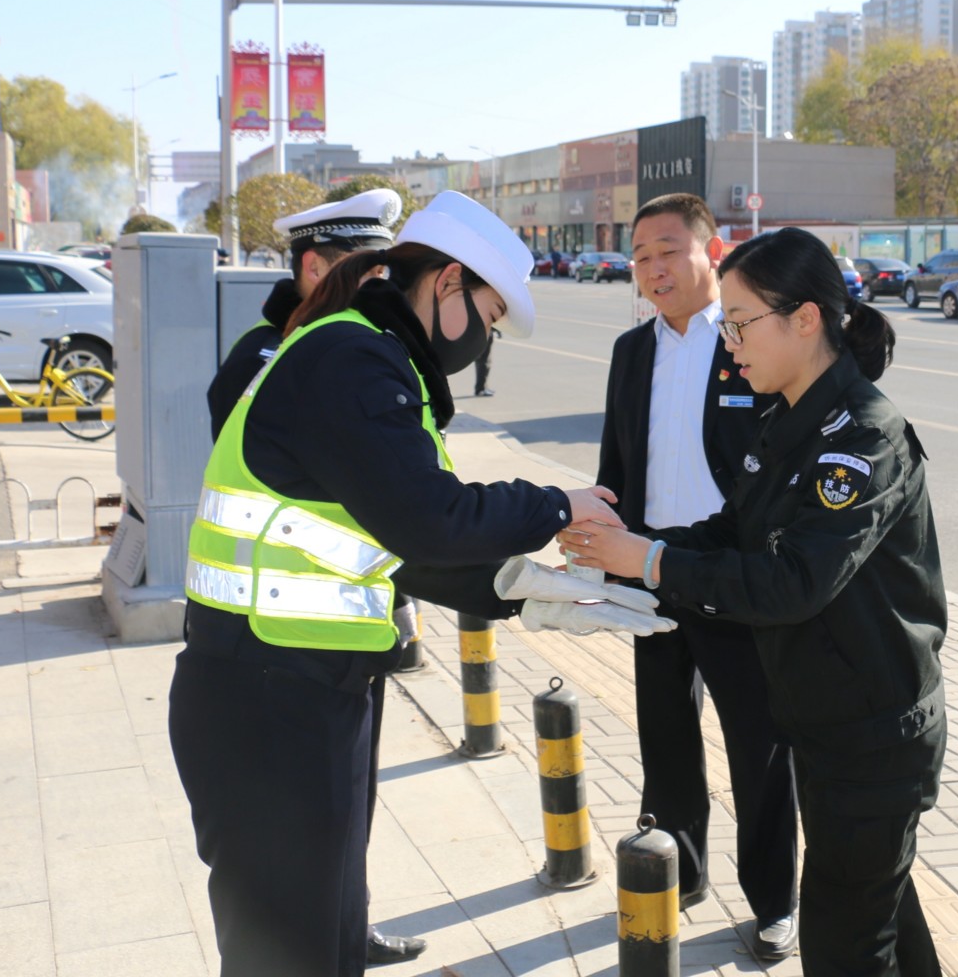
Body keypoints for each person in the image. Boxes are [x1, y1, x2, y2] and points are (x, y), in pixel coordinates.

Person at [170, 190, 625, 977]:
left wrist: (522, 591)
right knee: (286, 952)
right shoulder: (352, 359)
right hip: (267, 699)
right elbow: (428, 519)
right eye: (488, 316)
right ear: (447, 283)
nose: (484, 338)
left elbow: (397, 545)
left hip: (304, 686)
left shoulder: (369, 357)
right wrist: (556, 505)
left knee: (325, 933)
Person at [565, 227, 947, 977]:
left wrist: (649, 560)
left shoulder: (860, 439)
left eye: (740, 324)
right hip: (828, 719)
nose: (729, 343)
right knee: (881, 911)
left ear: (804, 319)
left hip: (872, 734)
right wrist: (627, 547)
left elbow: (790, 583)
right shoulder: (789, 422)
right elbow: (733, 529)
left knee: (844, 938)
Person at [201, 188, 421, 965]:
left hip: (348, 624)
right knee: (292, 837)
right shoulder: (270, 357)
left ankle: (348, 931)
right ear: (315, 269)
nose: (382, 290)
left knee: (350, 799)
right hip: (276, 645)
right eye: (366, 272)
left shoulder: (363, 348)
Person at [596, 194, 799, 960]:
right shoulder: (631, 351)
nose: (653, 267)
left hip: (729, 575)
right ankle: (676, 871)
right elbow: (616, 460)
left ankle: (775, 901)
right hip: (648, 570)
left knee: (757, 743)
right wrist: (605, 543)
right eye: (640, 255)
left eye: (668, 250)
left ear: (711, 253)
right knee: (665, 734)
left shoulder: (746, 339)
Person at [206, 189, 403, 440]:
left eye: (381, 272)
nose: (380, 284)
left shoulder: (370, 340)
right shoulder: (259, 359)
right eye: (363, 269)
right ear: (314, 268)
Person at [473, 325, 497, 396]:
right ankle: (481, 389)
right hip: (484, 331)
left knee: (482, 360)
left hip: (480, 331)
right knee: (484, 361)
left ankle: (482, 387)